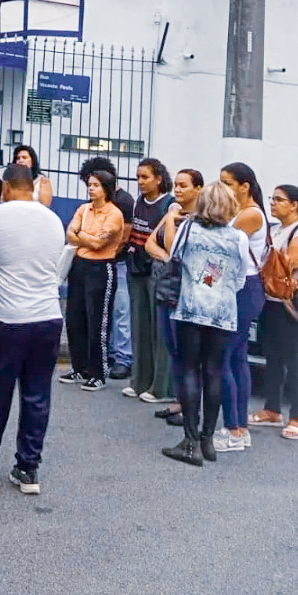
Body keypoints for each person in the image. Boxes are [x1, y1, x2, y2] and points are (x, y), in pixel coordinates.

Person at [0, 164, 65, 495]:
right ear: (31, 186)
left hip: (6, 317)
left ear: (5, 186)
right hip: (47, 316)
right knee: (37, 394)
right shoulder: (54, 219)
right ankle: (28, 468)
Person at [162, 182, 248, 466]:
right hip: (223, 312)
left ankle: (190, 442)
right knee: (214, 371)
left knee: (189, 369)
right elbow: (240, 280)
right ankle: (208, 439)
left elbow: (174, 254)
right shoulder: (239, 237)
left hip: (191, 308)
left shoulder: (188, 230)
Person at [144, 169, 204, 429]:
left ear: (198, 189)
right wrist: (169, 258)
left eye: (184, 185)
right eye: (176, 185)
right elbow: (150, 243)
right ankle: (180, 400)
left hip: (185, 291)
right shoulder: (173, 212)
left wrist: (170, 221)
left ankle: (190, 405)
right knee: (171, 347)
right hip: (165, 285)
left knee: (186, 351)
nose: (177, 190)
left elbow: (171, 244)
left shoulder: (199, 219)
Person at [248, 185, 298, 441]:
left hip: (289, 304)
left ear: (295, 204)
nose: (273, 203)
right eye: (272, 199)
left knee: (294, 360)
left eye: (279, 200)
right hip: (269, 300)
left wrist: (268, 259)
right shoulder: (275, 229)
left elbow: (294, 262)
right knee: (271, 355)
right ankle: (273, 409)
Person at [61, 169, 125, 391]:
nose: (91, 188)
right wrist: (85, 238)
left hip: (101, 268)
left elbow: (100, 244)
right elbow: (69, 232)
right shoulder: (83, 209)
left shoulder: (113, 214)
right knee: (74, 318)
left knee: (97, 320)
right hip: (79, 266)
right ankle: (79, 368)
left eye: (96, 185)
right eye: (89, 184)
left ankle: (98, 372)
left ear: (106, 188)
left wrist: (81, 237)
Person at [218, 162, 268, 447]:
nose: (223, 188)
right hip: (240, 287)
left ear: (244, 186)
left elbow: (221, 241)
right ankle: (239, 426)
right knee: (237, 357)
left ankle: (234, 428)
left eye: (227, 183)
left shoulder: (249, 214)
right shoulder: (240, 212)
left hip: (244, 289)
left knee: (225, 356)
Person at [120, 158, 174, 400]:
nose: (140, 182)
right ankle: (139, 380)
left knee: (158, 330)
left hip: (157, 272)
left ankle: (160, 386)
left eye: (145, 177)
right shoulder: (140, 202)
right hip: (136, 269)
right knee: (139, 326)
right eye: (138, 177)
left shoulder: (169, 205)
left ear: (159, 179)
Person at [78, 156, 135, 380]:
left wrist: (92, 243)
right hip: (97, 262)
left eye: (94, 183)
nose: (90, 188)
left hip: (116, 262)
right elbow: (75, 230)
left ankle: (123, 358)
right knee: (105, 312)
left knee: (121, 311)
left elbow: (122, 237)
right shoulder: (92, 205)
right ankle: (110, 355)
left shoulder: (124, 201)